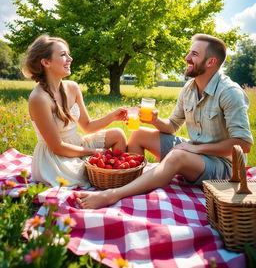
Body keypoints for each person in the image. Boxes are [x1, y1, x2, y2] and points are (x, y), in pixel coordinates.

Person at [75, 33, 253, 208]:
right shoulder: (189, 89)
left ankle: (114, 194)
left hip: (225, 166)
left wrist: (195, 149)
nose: (187, 58)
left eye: (194, 54)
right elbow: (173, 126)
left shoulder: (230, 92)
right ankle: (135, 185)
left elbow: (243, 144)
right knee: (138, 134)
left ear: (210, 62)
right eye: (189, 52)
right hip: (196, 152)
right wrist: (155, 120)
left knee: (178, 156)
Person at [22, 35, 127, 188]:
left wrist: (113, 116)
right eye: (63, 54)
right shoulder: (39, 98)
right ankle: (107, 179)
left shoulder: (72, 87)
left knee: (118, 134)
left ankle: (115, 176)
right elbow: (57, 147)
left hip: (77, 143)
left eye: (68, 54)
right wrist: (94, 152)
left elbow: (88, 126)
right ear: (46, 62)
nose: (70, 58)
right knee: (90, 169)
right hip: (55, 157)